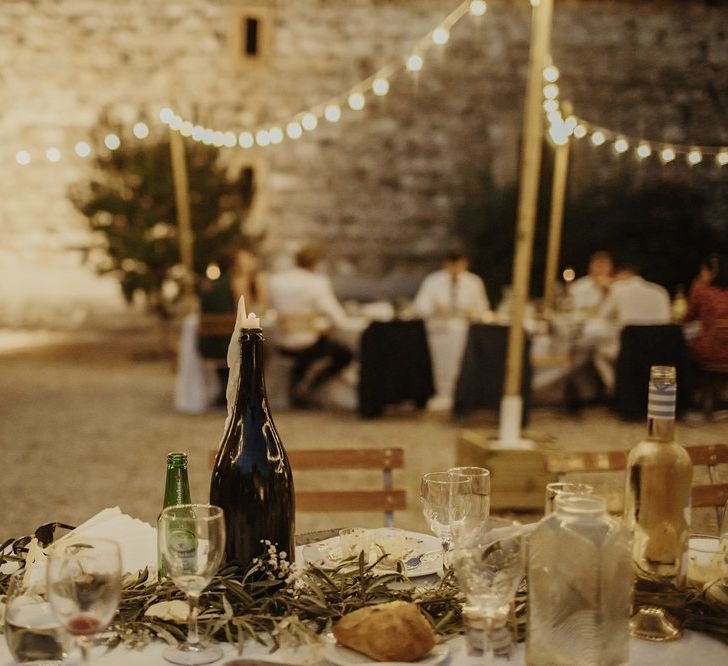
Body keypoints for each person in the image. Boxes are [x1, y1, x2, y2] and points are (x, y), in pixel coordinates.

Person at [267, 244, 353, 407]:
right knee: (344, 354)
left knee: (306, 352)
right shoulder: (317, 283)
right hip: (307, 343)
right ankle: (310, 386)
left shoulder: (276, 281)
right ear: (316, 263)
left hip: (281, 341)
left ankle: (299, 387)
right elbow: (337, 317)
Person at [198, 246, 268, 403]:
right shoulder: (236, 282)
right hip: (227, 342)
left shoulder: (206, 283)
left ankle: (226, 387)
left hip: (208, 342)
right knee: (263, 344)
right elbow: (246, 312)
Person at [592, 264, 671, 393]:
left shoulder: (618, 289)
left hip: (629, 349)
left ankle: (616, 392)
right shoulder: (660, 291)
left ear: (623, 273)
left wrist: (606, 290)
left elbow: (603, 315)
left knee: (599, 354)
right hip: (659, 350)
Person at [413, 250, 491, 319]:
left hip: (468, 324)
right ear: (445, 264)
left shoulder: (474, 281)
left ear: (465, 264)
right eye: (452, 265)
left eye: (458, 265)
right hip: (438, 324)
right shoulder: (433, 280)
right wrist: (434, 309)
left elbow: (483, 307)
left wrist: (472, 312)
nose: (455, 268)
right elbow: (420, 305)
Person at [684, 253, 728, 368]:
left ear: (712, 273)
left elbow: (688, 317)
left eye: (702, 271)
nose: (700, 275)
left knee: (679, 341)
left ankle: (686, 383)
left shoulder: (701, 290)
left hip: (709, 352)